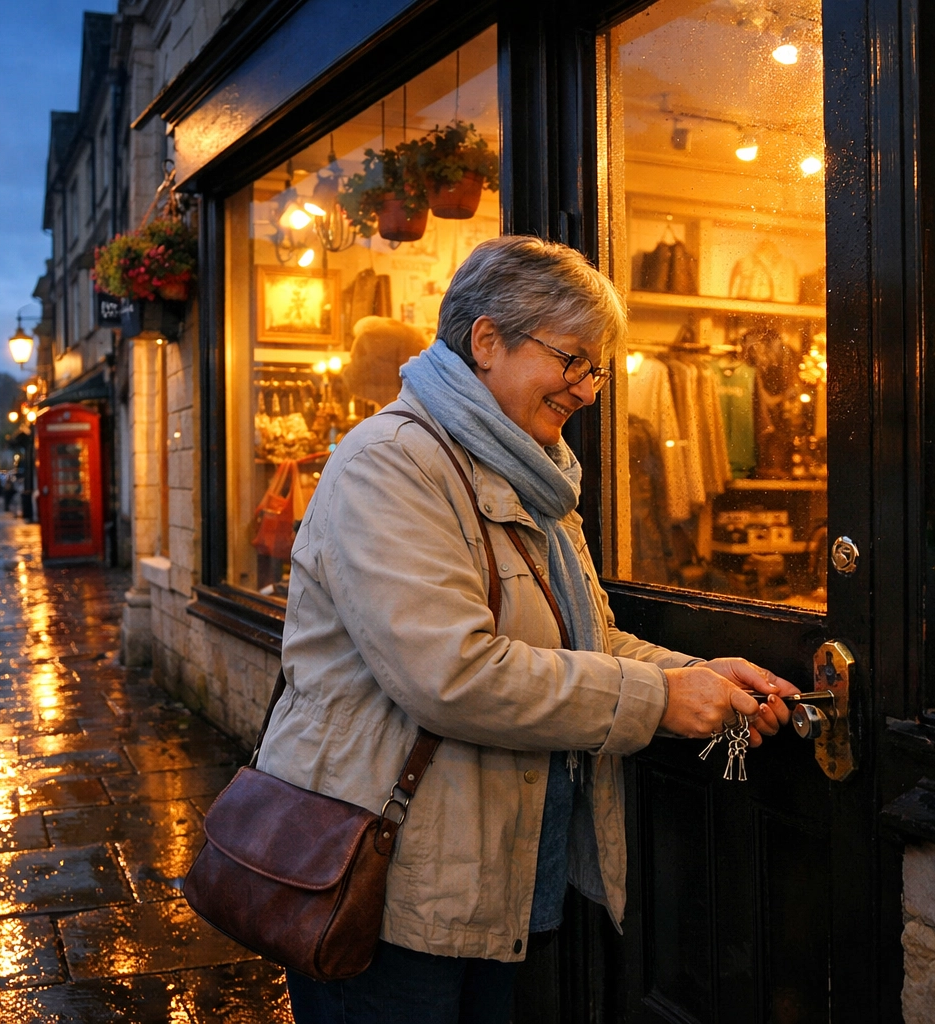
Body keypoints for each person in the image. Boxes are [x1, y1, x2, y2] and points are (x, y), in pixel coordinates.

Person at [257, 236, 799, 1023]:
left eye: (597, 367)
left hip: (502, 878)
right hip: (390, 882)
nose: (588, 387)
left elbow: (587, 640)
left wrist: (703, 675)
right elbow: (453, 675)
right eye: (572, 359)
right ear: (486, 341)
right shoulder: (392, 462)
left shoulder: (530, 474)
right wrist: (658, 700)